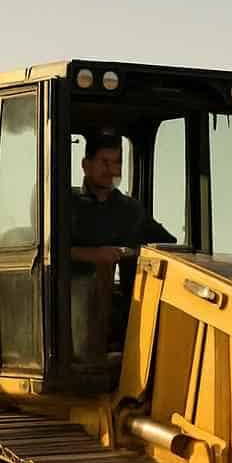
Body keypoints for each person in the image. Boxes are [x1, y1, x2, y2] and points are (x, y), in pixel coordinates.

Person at [70, 132, 177, 359]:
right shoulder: (65, 205)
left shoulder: (130, 210)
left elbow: (169, 247)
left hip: (123, 307)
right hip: (71, 307)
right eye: (104, 162)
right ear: (85, 165)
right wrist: (95, 255)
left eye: (117, 162)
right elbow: (50, 252)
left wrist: (130, 253)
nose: (111, 170)